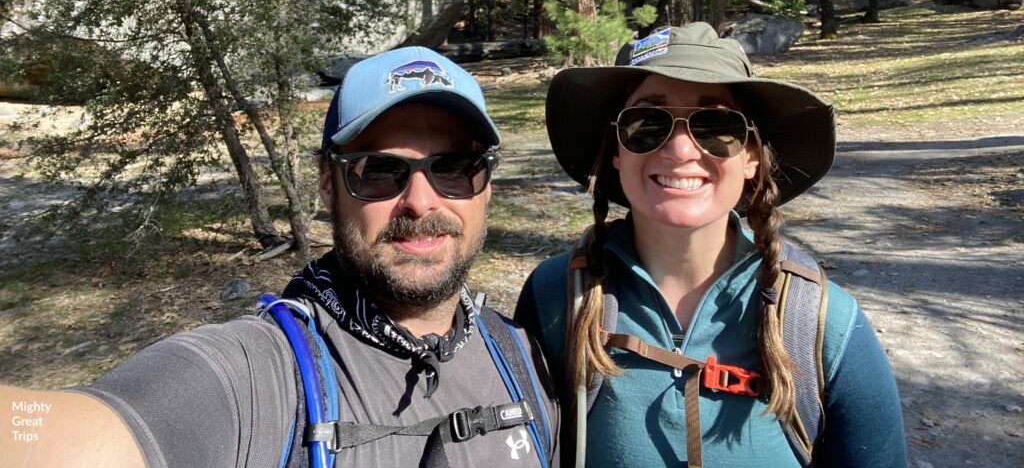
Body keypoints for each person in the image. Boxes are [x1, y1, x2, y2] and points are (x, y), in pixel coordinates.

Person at [1, 47, 558, 468]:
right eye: (378, 170)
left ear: (486, 187)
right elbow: (64, 437)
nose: (419, 200)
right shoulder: (264, 373)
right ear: (327, 185)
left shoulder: (527, 362)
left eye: (454, 168)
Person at [515, 24, 906, 468]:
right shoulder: (555, 298)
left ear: (752, 156)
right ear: (616, 149)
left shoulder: (820, 323)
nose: (680, 149)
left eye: (716, 125)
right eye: (646, 123)